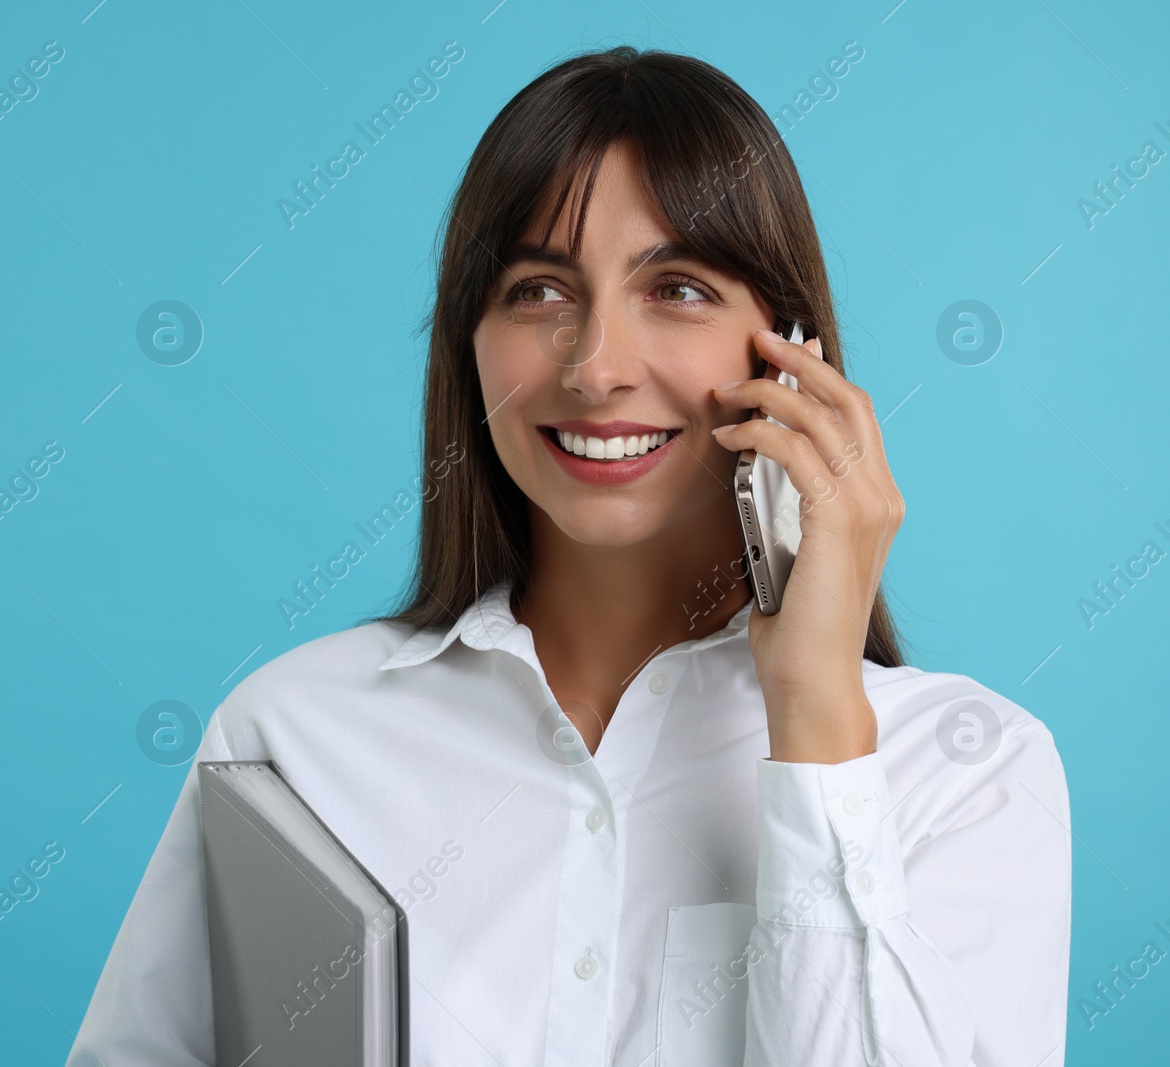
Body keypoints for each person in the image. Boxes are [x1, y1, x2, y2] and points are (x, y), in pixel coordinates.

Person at [66, 45, 1070, 1066]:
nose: (596, 368)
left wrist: (813, 714)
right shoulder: (290, 738)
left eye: (676, 288)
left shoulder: (966, 772)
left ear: (790, 353)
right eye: (539, 291)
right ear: (469, 339)